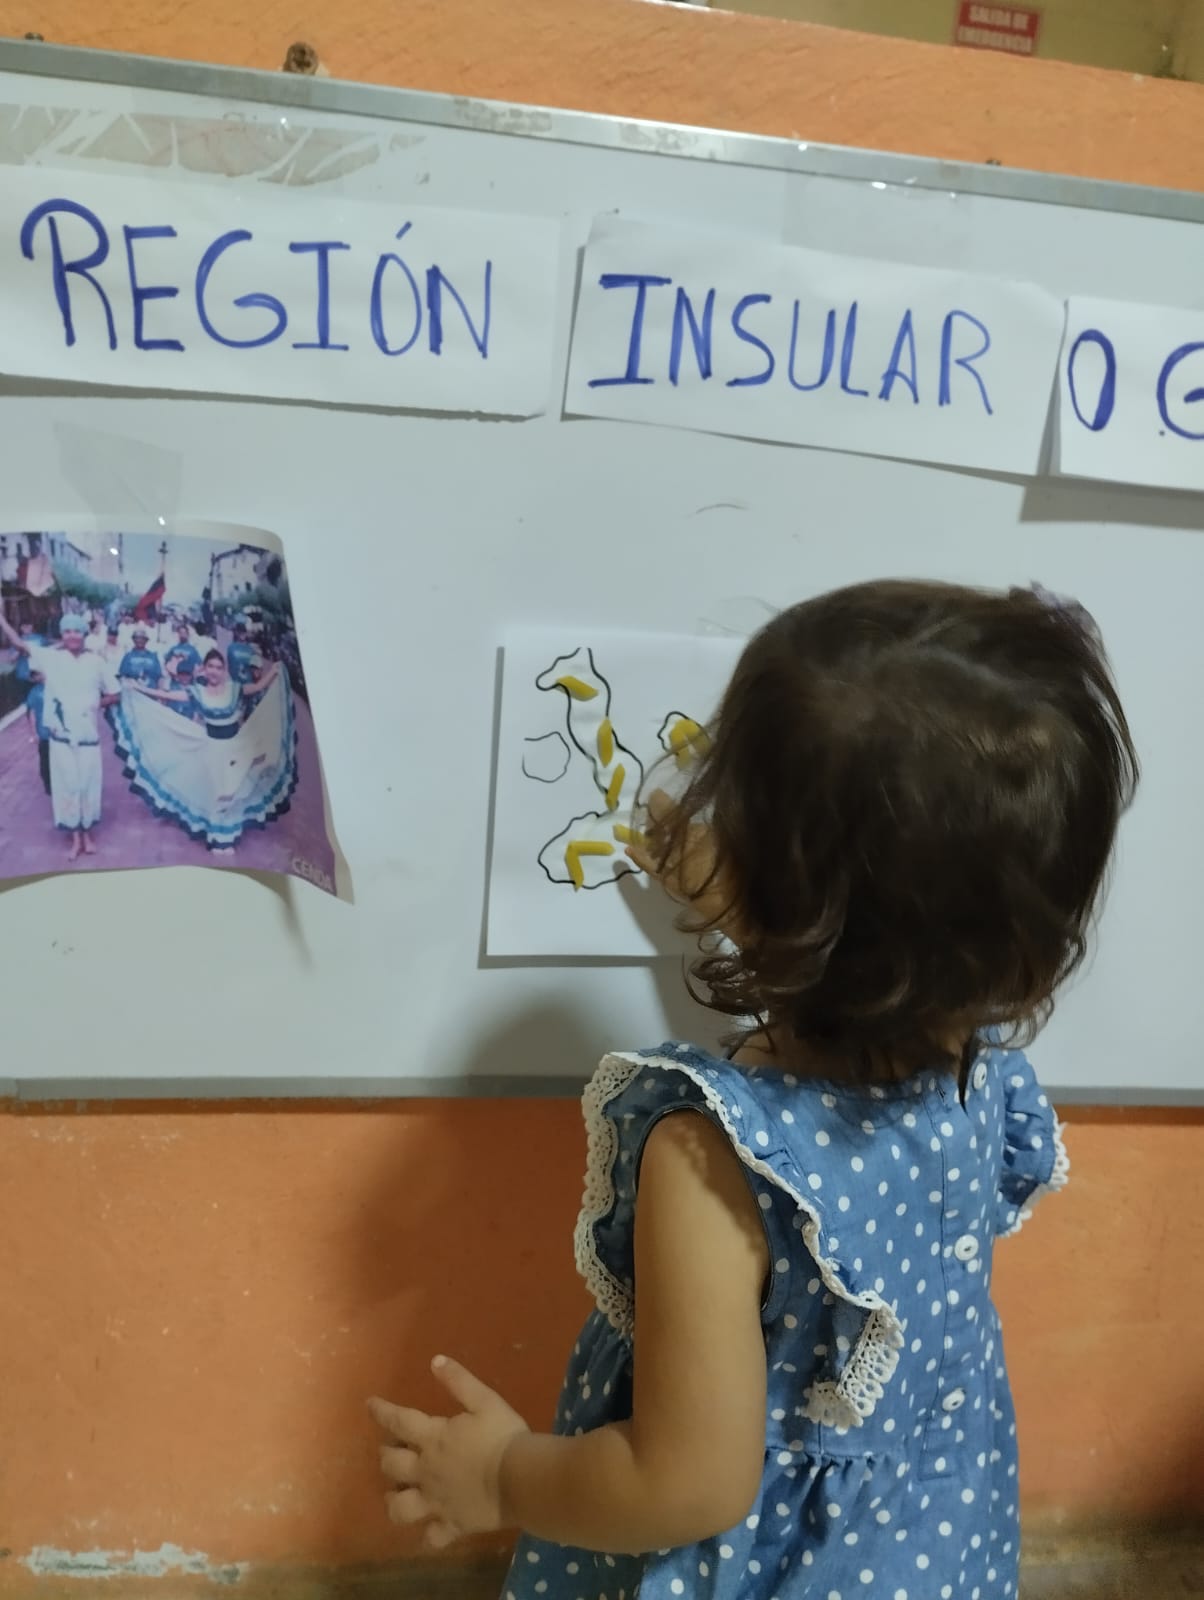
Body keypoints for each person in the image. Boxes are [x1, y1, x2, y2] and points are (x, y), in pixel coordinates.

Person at [367, 581, 1139, 1600]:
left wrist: (503, 1476)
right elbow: (877, 948)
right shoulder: (975, 1062)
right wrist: (760, 899)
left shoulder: (706, 1160)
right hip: (925, 1544)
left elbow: (683, 1483)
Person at [112, 646, 296, 853]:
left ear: (224, 670)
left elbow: (258, 687)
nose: (214, 671)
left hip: (235, 747)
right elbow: (168, 695)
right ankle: (217, 837)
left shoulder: (234, 689)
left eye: (218, 667)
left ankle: (228, 835)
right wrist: (139, 689)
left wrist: (274, 672)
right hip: (211, 749)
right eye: (210, 666)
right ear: (204, 669)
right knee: (217, 793)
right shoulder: (197, 692)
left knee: (233, 791)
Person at [0, 609, 121, 860]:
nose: (72, 636)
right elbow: (19, 644)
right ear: (62, 634)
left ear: (84, 634)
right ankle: (75, 839)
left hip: (88, 738)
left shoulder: (97, 662)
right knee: (68, 788)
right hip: (60, 740)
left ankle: (88, 835)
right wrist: (1, 618)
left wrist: (95, 704)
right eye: (67, 631)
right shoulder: (50, 657)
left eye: (77, 631)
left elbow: (115, 693)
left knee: (88, 786)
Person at [24, 674, 51, 795]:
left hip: (61, 735)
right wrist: (33, 734)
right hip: (45, 735)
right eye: (34, 675)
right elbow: (30, 713)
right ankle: (49, 787)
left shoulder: (58, 686)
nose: (36, 677)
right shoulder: (35, 692)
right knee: (45, 763)